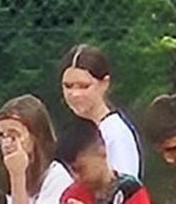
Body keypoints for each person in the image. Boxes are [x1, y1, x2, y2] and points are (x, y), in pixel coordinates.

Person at [60, 44, 143, 179]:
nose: (74, 94)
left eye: (84, 86)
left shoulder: (115, 133)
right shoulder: (74, 130)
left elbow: (125, 186)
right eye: (68, 86)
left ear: (104, 83)